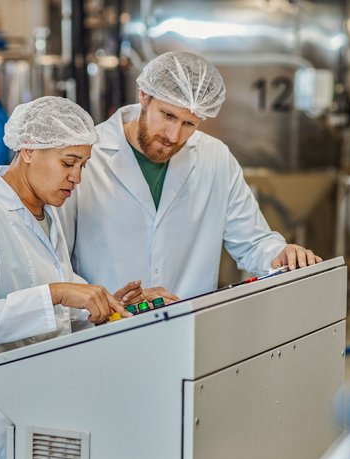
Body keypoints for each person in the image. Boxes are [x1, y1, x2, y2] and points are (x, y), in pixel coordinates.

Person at [0, 96, 142, 459]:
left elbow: (50, 301)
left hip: (34, 402)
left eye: (83, 165)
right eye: (68, 162)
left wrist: (103, 303)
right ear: (28, 149)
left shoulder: (45, 215)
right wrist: (57, 294)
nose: (77, 177)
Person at [60, 51, 322, 301]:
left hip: (189, 329)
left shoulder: (215, 158)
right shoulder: (87, 155)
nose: (173, 136)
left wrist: (280, 254)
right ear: (143, 95)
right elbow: (57, 262)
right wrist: (105, 304)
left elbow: (253, 243)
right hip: (104, 333)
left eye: (189, 124)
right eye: (168, 115)